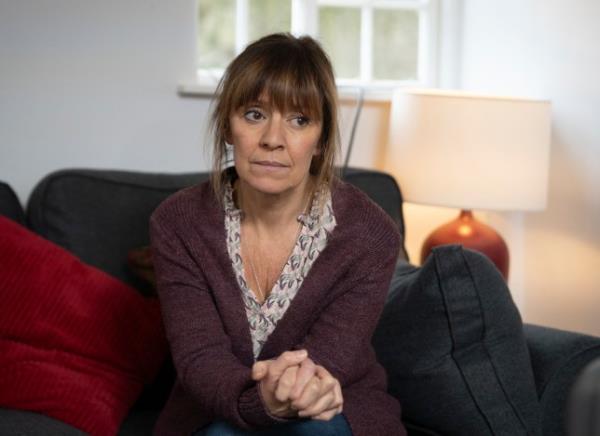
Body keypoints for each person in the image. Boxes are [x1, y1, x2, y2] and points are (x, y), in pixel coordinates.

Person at [149, 33, 406, 436]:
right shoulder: (177, 223)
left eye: (299, 120)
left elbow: (325, 364)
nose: (273, 139)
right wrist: (261, 402)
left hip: (329, 409)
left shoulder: (370, 235)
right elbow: (200, 358)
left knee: (316, 432)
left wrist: (293, 394)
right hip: (215, 407)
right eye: (254, 114)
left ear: (320, 139)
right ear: (228, 127)